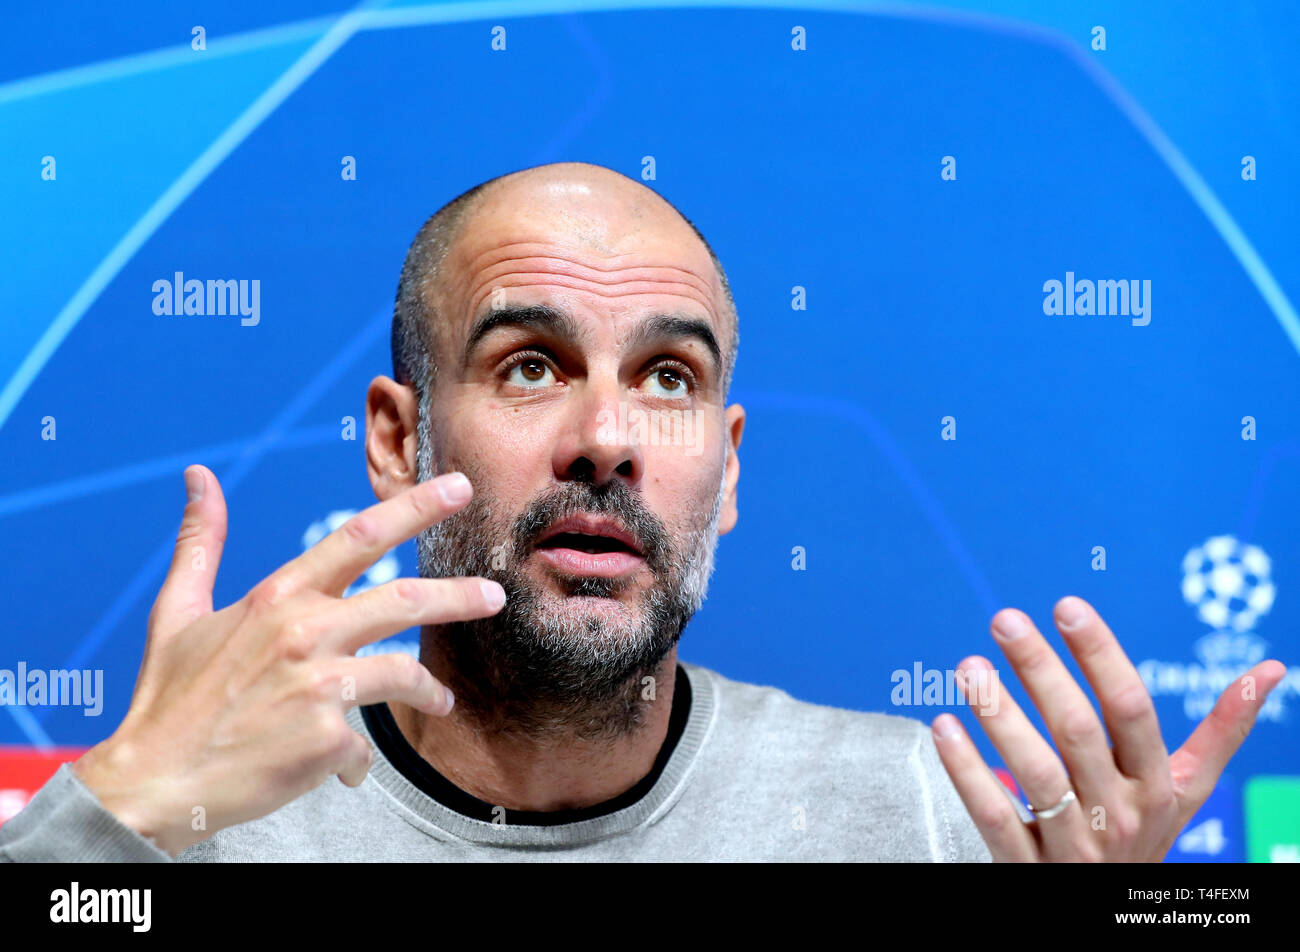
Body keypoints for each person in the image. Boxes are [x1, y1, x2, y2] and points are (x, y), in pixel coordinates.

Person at [0, 162, 1284, 862]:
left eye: (667, 378)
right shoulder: (202, 823)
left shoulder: (927, 814)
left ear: (725, 473)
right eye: (529, 365)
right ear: (398, 440)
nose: (606, 439)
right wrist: (108, 813)